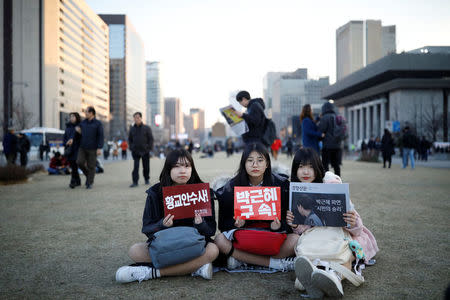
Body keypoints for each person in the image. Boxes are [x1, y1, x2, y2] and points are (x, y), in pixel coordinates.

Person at [115, 149, 219, 283]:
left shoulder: (202, 192)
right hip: (167, 246)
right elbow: (147, 228)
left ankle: (151, 272)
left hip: (195, 245)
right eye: (176, 166)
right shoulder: (155, 193)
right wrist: (161, 225)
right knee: (135, 251)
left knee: (213, 250)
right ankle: (195, 267)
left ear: (192, 169)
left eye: (187, 166)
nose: (183, 171)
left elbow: (210, 230)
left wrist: (200, 224)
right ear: (168, 169)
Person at [287, 148, 378, 297]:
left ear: (318, 168)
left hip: (336, 233)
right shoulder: (297, 192)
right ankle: (310, 279)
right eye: (301, 167)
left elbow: (357, 228)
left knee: (342, 253)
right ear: (295, 170)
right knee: (310, 250)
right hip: (314, 237)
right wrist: (295, 224)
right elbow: (303, 230)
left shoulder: (331, 185)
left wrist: (351, 221)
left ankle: (334, 278)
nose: (305, 172)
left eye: (310, 167)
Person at [214, 142, 298, 272]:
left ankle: (242, 260)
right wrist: (237, 224)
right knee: (219, 240)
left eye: (260, 160)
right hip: (244, 237)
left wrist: (277, 225)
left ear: (267, 164)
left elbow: (289, 222)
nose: (255, 165)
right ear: (244, 164)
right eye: (250, 160)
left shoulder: (281, 185)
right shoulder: (230, 188)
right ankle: (275, 263)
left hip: (271, 237)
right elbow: (223, 226)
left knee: (296, 240)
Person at [75, 106, 104, 189]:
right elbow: (78, 133)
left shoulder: (98, 123)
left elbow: (100, 136)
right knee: (79, 162)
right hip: (82, 147)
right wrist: (78, 131)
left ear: (91, 113)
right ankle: (88, 175)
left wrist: (99, 148)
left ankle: (89, 182)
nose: (85, 113)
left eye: (86, 112)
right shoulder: (83, 123)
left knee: (91, 166)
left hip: (93, 148)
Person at [129, 112, 154, 187]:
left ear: (140, 118)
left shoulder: (147, 128)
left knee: (146, 166)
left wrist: (149, 148)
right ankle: (135, 182)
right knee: (136, 167)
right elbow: (130, 139)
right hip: (135, 151)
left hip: (145, 151)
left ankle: (146, 179)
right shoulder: (132, 129)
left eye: (138, 117)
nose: (136, 119)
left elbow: (151, 139)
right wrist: (131, 147)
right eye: (135, 118)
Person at [318, 102, 341, 176]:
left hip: (327, 145)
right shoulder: (337, 116)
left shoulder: (325, 117)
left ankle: (326, 179)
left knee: (325, 164)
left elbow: (321, 130)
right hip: (337, 145)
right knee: (336, 164)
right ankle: (338, 179)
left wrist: (319, 138)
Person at [64, 112, 82, 188]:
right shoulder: (68, 127)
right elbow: (64, 138)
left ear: (77, 118)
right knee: (72, 165)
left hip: (77, 149)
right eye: (70, 116)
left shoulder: (80, 126)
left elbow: (83, 137)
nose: (71, 118)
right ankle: (78, 180)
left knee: (74, 165)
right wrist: (66, 143)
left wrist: (80, 132)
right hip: (69, 149)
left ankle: (73, 181)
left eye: (73, 117)